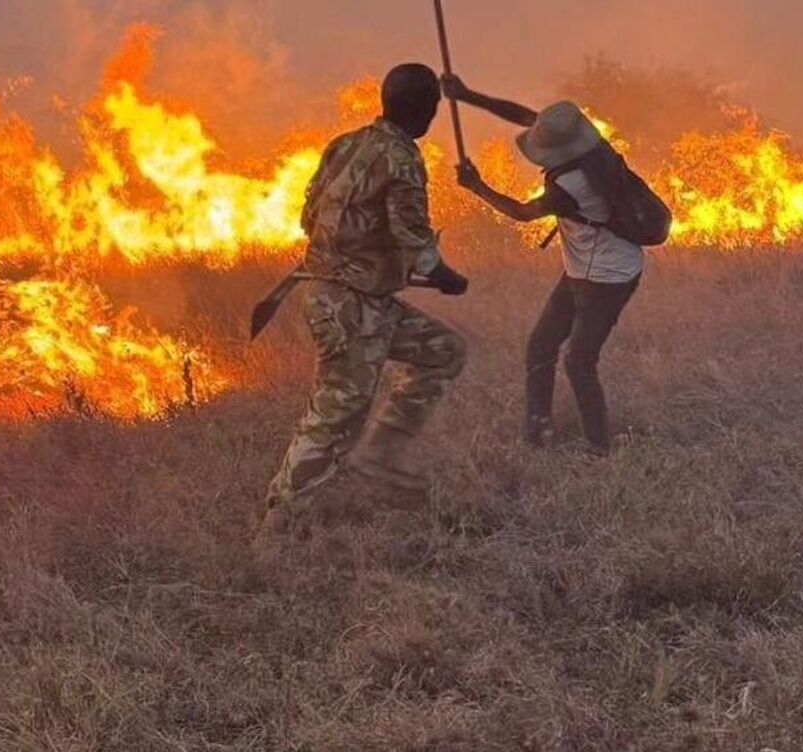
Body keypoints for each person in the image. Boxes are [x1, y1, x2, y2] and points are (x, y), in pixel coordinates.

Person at [262, 63, 471, 541]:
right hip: (349, 307)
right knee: (334, 417)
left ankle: (382, 451)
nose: (434, 117)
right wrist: (447, 278)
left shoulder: (346, 143)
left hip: (358, 299)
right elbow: (415, 241)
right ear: (422, 109)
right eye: (433, 108)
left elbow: (307, 215)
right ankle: (277, 529)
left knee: (444, 350)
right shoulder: (402, 159)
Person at [444, 74, 644, 454]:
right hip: (581, 270)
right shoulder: (590, 145)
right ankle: (537, 434)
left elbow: (522, 212)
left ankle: (599, 449)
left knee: (579, 361)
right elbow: (523, 115)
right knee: (540, 347)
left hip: (609, 278)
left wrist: (477, 187)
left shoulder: (571, 187)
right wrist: (468, 95)